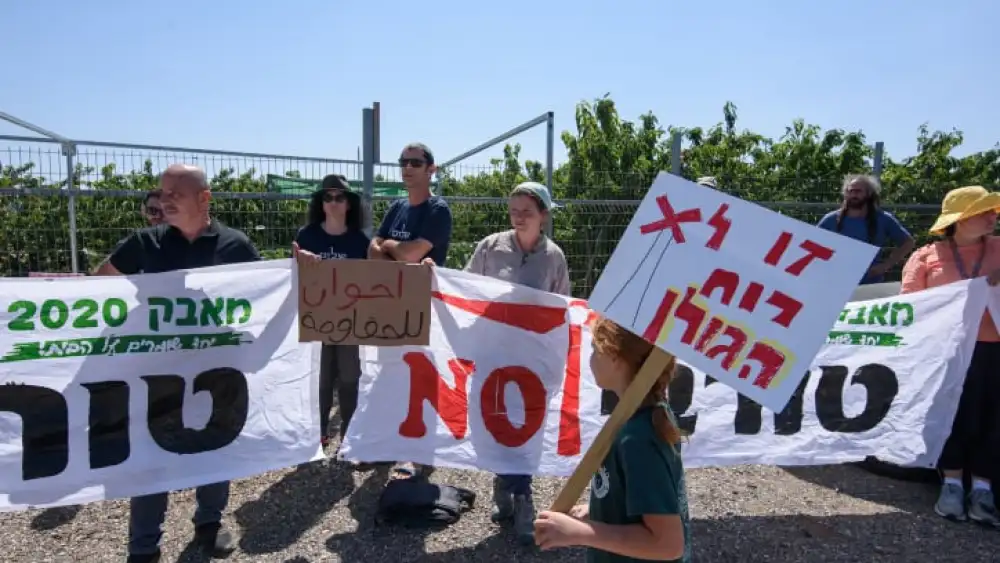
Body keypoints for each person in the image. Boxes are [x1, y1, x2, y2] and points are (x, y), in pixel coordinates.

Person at [94, 164, 260, 563]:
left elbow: (263, 295)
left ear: (204, 199)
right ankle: (144, 547)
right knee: (150, 460)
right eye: (162, 193)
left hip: (215, 372)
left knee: (213, 448)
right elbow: (100, 284)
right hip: (156, 374)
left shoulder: (235, 246)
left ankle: (209, 524)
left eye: (175, 194)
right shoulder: (144, 244)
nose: (164, 200)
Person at [533, 316, 690, 562]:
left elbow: (668, 544)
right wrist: (600, 511)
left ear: (615, 358)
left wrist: (582, 533)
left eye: (596, 351)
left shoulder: (638, 438)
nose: (591, 359)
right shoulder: (641, 414)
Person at [464, 181, 570, 544]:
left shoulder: (554, 256)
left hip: (532, 359)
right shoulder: (490, 248)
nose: (519, 217)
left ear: (544, 214)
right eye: (514, 211)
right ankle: (506, 483)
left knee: (526, 427)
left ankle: (521, 495)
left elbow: (562, 306)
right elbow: (464, 291)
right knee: (496, 422)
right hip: (495, 355)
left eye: (527, 211)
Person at [901, 185, 1000, 527]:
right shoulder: (925, 257)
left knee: (994, 420)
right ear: (960, 220)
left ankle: (984, 490)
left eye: (993, 211)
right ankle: (953, 484)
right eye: (984, 211)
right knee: (950, 417)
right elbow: (911, 307)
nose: (993, 216)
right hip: (948, 353)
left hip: (993, 351)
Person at [369, 142, 452, 481]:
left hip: (423, 306)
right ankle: (389, 446)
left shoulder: (438, 210)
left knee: (420, 378)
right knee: (390, 373)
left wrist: (390, 246)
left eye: (415, 162)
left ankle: (420, 453)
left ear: (431, 169)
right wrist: (394, 249)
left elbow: (411, 254)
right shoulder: (396, 207)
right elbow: (372, 253)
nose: (407, 168)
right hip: (391, 303)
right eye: (403, 162)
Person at [292, 174, 369, 456]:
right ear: (321, 203)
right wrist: (299, 260)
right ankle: (318, 438)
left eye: (340, 197)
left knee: (350, 378)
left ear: (349, 204)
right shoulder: (306, 236)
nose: (334, 202)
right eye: (328, 197)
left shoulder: (360, 240)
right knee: (320, 380)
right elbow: (292, 276)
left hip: (349, 322)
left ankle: (347, 439)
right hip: (315, 323)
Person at [817, 174, 915, 284]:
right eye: (850, 191)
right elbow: (811, 243)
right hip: (836, 284)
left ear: (869, 194)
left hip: (870, 286)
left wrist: (886, 265)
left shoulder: (883, 219)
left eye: (858, 191)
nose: (854, 195)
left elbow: (908, 243)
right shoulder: (830, 219)